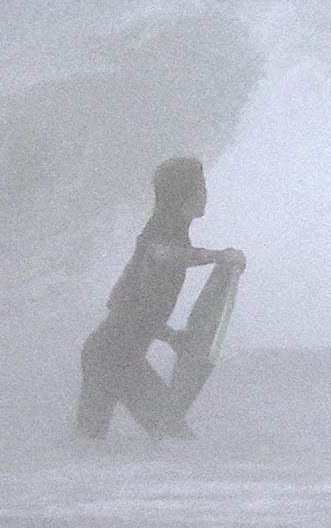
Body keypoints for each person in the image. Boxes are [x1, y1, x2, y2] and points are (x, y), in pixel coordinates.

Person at [71, 157, 241, 441]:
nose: (205, 194)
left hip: (113, 355)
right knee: (173, 437)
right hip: (113, 356)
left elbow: (135, 312)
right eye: (200, 187)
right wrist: (218, 257)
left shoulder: (173, 231)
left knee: (90, 444)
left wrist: (172, 337)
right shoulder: (161, 231)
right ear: (182, 195)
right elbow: (161, 258)